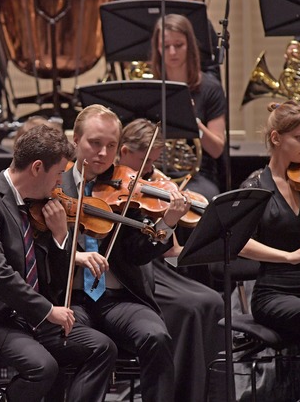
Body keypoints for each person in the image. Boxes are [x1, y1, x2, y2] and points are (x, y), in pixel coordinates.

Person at [0, 124, 117, 401]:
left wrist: (60, 237)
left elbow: (55, 279)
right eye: (58, 175)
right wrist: (46, 310)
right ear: (37, 168)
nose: (59, 184)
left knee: (102, 348)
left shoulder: (36, 204)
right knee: (42, 367)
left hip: (23, 318)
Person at [61, 104, 190, 402]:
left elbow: (137, 254)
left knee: (155, 336)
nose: (103, 153)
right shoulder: (57, 186)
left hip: (119, 301)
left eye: (111, 146)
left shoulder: (127, 190)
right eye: (95, 143)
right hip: (72, 298)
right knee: (83, 346)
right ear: (76, 140)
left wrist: (167, 222)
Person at [117, 118, 224, 402]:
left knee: (213, 300)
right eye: (145, 160)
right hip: (136, 268)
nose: (151, 169)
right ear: (124, 152)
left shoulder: (151, 180)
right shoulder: (115, 184)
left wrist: (175, 220)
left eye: (153, 160)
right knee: (190, 306)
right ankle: (181, 393)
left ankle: (208, 394)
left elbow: (170, 249)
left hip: (158, 263)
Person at [236, 100, 300, 399]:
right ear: (277, 139)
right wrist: (289, 256)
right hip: (273, 296)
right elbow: (240, 243)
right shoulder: (255, 185)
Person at [151, 13, 226, 201]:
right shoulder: (150, 89)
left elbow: (217, 148)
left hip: (198, 175)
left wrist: (193, 122)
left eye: (179, 45)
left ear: (190, 46)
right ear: (158, 48)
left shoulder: (210, 88)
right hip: (155, 172)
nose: (173, 52)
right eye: (166, 46)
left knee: (201, 200)